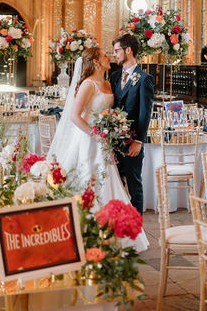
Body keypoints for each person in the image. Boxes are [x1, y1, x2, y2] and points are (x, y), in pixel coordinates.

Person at [46, 46, 148, 251]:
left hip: (104, 142)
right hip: (88, 140)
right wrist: (96, 133)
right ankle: (84, 232)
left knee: (109, 181)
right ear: (95, 62)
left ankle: (113, 233)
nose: (108, 56)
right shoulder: (88, 84)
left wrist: (111, 128)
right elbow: (75, 116)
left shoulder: (108, 83)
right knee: (88, 180)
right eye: (103, 55)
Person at [110, 34, 154, 214]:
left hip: (132, 142)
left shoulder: (144, 79)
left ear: (128, 50)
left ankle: (137, 228)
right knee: (116, 182)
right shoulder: (113, 77)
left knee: (134, 183)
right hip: (113, 141)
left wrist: (139, 141)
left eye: (117, 51)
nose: (114, 55)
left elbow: (146, 112)